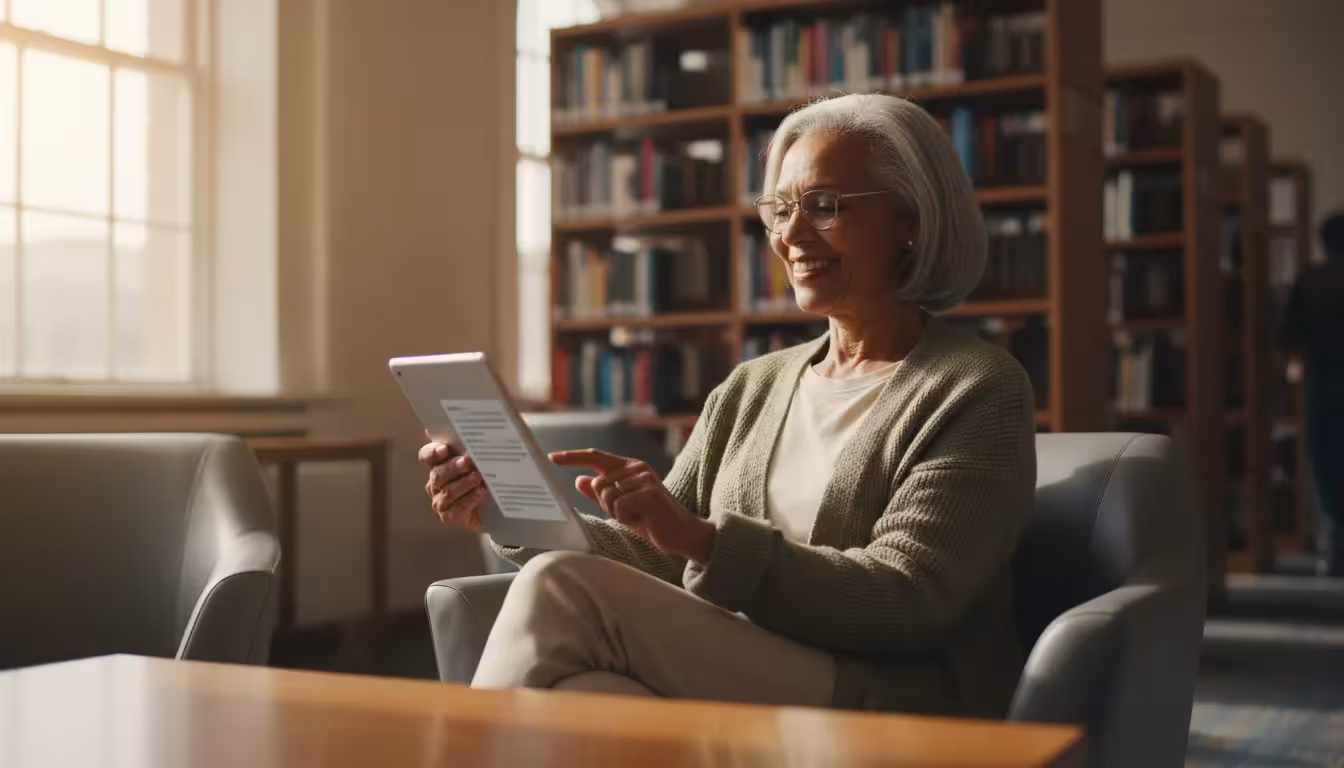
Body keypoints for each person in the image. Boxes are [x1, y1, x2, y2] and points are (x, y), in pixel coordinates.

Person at [420, 93, 1036, 717]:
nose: (791, 235)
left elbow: (910, 602)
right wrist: (507, 514)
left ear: (913, 220)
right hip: (742, 670)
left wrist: (705, 541)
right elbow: (664, 556)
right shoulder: (753, 387)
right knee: (581, 703)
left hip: (880, 693)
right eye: (781, 209)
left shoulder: (977, 387)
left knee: (557, 589)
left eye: (824, 207)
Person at [1281, 212, 1344, 575]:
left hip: (1320, 377)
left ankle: (1336, 545)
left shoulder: (1311, 281)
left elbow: (1290, 338)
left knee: (1324, 463)